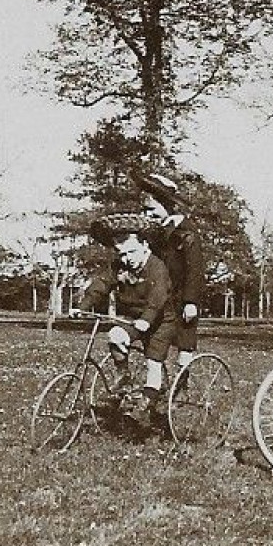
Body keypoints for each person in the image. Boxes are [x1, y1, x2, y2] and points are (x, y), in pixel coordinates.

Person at [75, 212, 176, 434]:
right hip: (133, 318)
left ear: (145, 246)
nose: (127, 258)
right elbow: (101, 284)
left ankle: (145, 404)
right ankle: (124, 378)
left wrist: (146, 321)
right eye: (122, 253)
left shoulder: (157, 267)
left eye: (131, 252)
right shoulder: (119, 266)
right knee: (116, 336)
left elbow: (158, 298)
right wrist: (83, 306)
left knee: (153, 362)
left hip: (160, 321)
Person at [138, 172, 206, 377]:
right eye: (145, 211)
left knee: (184, 340)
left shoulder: (186, 232)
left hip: (182, 296)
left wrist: (191, 300)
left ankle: (182, 382)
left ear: (167, 206)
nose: (148, 215)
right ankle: (159, 381)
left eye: (151, 210)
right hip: (162, 295)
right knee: (157, 338)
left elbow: (195, 269)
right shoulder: (155, 233)